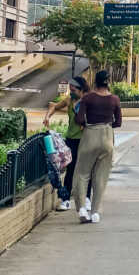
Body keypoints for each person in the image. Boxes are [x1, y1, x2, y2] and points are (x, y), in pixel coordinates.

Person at [74, 70, 122, 224]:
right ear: (109, 82)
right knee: (101, 177)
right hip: (107, 136)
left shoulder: (88, 98)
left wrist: (84, 123)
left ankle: (82, 208)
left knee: (82, 173)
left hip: (90, 134)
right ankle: (95, 212)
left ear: (95, 81)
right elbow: (118, 122)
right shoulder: (114, 99)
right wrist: (107, 125)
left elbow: (80, 119)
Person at [44, 74, 89, 211]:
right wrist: (47, 116)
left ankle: (86, 198)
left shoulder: (88, 101)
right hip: (71, 139)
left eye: (74, 90)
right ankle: (66, 200)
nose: (72, 92)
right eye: (70, 90)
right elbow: (54, 106)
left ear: (81, 89)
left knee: (86, 170)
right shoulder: (69, 100)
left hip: (85, 139)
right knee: (70, 169)